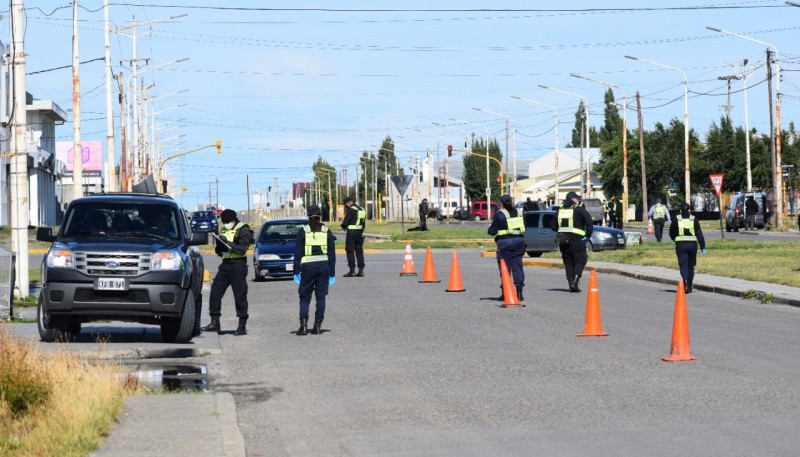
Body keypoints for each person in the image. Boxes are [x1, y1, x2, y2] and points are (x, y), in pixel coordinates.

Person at [202, 209, 254, 335]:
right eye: (223, 222)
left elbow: (242, 249)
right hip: (225, 265)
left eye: (226, 222)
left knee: (240, 296)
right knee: (215, 293)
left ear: (233, 220)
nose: (224, 224)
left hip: (238, 266)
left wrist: (228, 244)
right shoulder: (225, 229)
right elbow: (221, 251)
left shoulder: (244, 229)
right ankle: (215, 323)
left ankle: (242, 326)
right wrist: (220, 246)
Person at [293, 205, 336, 335]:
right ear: (320, 216)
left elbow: (298, 253)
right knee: (321, 297)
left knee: (305, 297)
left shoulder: (303, 231)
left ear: (308, 216)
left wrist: (296, 271)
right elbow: (331, 254)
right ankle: (317, 325)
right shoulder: (326, 231)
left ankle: (304, 325)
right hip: (323, 267)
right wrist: (332, 273)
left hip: (307, 268)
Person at [550, 192, 593, 292]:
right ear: (573, 199)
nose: (577, 200)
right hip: (577, 240)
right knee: (581, 260)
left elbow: (553, 227)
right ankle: (575, 282)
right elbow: (589, 222)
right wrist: (587, 235)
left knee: (568, 262)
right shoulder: (579, 209)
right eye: (576, 199)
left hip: (563, 241)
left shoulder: (559, 211)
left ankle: (570, 284)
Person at [488, 194, 526, 301]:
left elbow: (492, 232)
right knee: (518, 267)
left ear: (502, 204)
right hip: (519, 242)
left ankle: (505, 293)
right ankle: (519, 293)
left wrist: (491, 227)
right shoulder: (520, 213)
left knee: (505, 268)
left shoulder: (500, 214)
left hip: (505, 243)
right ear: (511, 202)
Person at [669, 202, 706, 294]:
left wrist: (676, 239)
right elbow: (699, 234)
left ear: (681, 210)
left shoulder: (676, 219)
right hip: (692, 245)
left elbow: (671, 233)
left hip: (681, 245)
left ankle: (685, 280)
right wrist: (703, 247)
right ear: (689, 210)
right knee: (691, 266)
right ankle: (689, 285)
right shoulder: (694, 219)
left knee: (683, 265)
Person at [340, 196, 366, 277]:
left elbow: (345, 223)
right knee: (359, 251)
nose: (346, 206)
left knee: (350, 251)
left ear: (349, 203)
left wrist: (343, 226)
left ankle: (352, 271)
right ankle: (361, 271)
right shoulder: (362, 209)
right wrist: (360, 232)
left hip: (351, 234)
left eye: (346, 204)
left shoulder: (351, 210)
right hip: (359, 233)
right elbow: (363, 224)